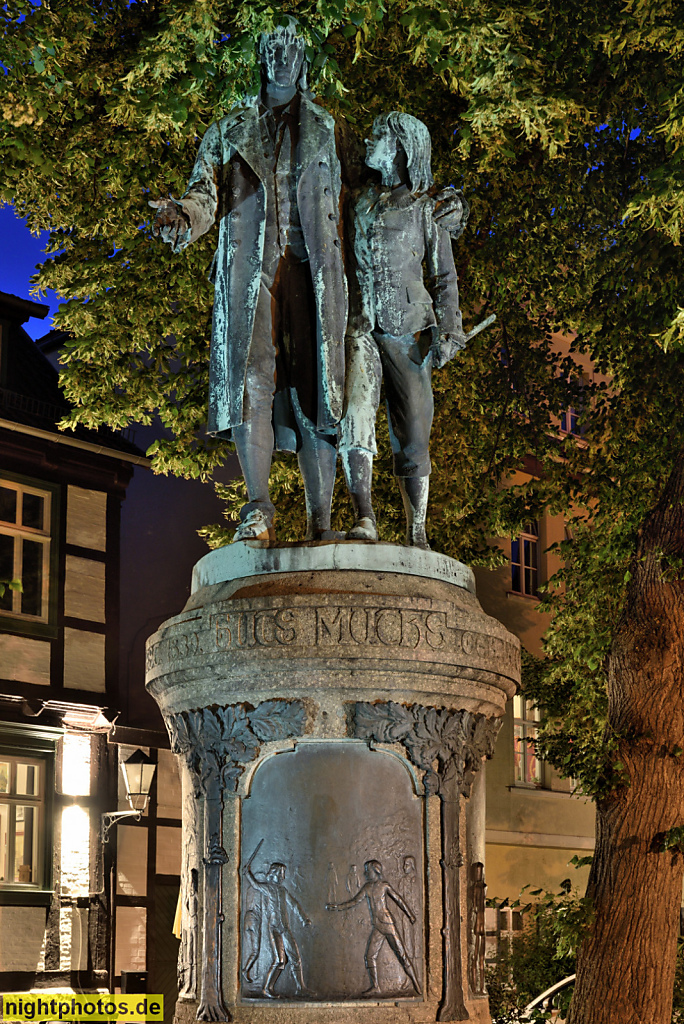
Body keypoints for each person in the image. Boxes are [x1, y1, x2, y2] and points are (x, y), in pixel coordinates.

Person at [150, 17, 348, 543]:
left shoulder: (325, 128)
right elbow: (204, 194)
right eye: (273, 48)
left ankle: (322, 522)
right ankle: (258, 507)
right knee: (250, 382)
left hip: (313, 272)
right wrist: (181, 215)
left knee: (317, 390)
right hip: (248, 269)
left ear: (303, 61)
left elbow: (345, 209)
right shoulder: (229, 128)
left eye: (291, 48)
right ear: (261, 57)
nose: (282, 58)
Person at [339, 111, 468, 549]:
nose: (369, 140)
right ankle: (365, 515)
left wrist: (450, 329)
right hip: (361, 324)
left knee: (412, 431)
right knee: (355, 414)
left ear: (400, 147)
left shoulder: (424, 207)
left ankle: (418, 529)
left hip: (410, 331)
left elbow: (445, 276)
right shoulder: (357, 200)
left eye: (378, 134)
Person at [326, 858, 419, 996]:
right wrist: (338, 907)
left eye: (367, 870)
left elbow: (399, 900)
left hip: (388, 925)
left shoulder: (384, 885)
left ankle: (417, 985)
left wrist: (410, 915)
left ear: (376, 870)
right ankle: (376, 986)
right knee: (369, 956)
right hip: (378, 927)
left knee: (402, 955)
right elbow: (354, 901)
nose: (365, 873)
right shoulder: (367, 887)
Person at [244, 857, 312, 998]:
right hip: (274, 928)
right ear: (275, 873)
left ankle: (300, 988)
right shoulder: (267, 888)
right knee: (280, 960)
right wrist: (247, 873)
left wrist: (303, 918)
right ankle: (267, 988)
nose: (283, 876)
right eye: (282, 873)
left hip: (285, 928)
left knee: (295, 957)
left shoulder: (282, 891)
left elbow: (294, 904)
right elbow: (255, 885)